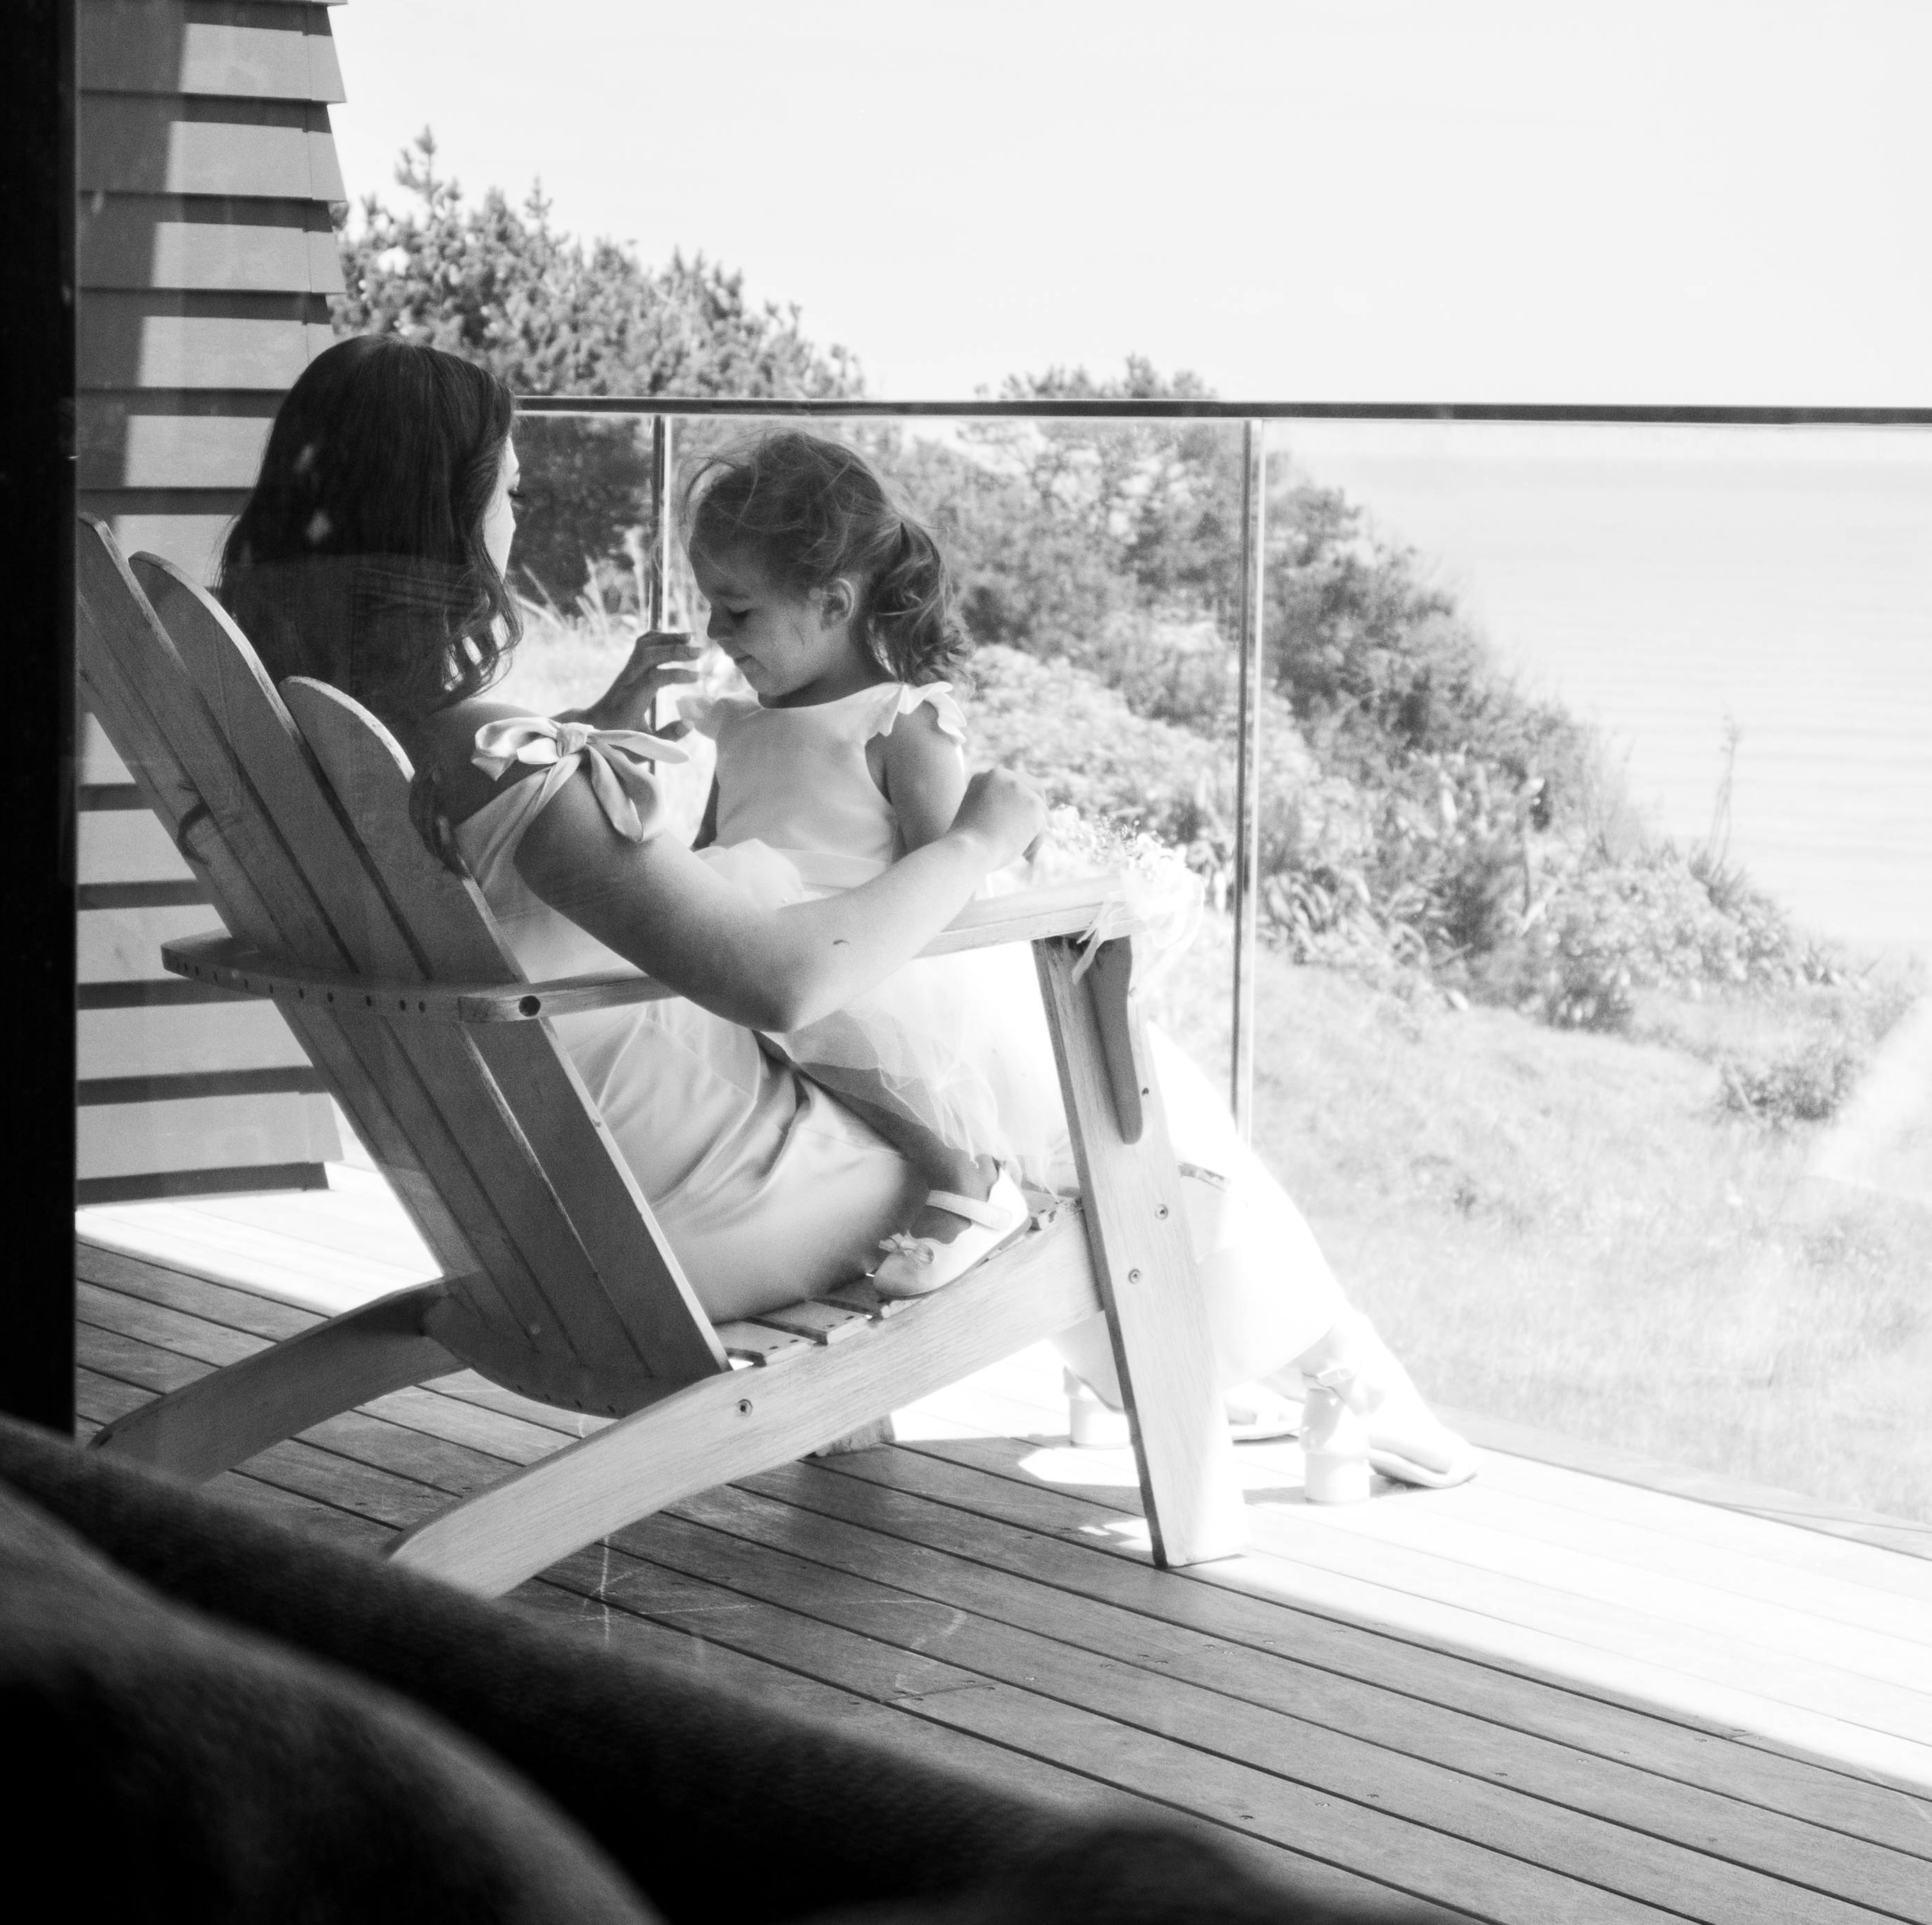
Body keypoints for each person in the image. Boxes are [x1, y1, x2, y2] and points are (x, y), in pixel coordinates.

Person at [217, 335, 1475, 1488]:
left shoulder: (340, 747)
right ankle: (1291, 1375)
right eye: (509, 486)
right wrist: (980, 838)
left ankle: (1238, 1373)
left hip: (533, 1210)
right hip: (694, 1217)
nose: (519, 510)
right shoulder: (506, 766)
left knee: (1059, 1105)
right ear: (445, 516)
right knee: (1114, 1134)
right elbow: (782, 979)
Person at [674, 431, 1039, 1300]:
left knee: (819, 1021)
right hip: (759, 949)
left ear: (833, 602)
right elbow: (707, 853)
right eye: (711, 607)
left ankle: (970, 1179)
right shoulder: (742, 725)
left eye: (738, 610)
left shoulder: (899, 721)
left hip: (867, 961)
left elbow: (945, 883)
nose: (715, 632)